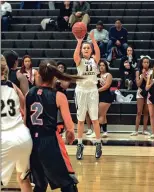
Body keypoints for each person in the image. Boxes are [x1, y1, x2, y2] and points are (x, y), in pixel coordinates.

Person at [25, 60, 80, 192]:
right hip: (50, 141)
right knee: (68, 183)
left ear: (38, 75)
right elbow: (69, 127)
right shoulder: (59, 96)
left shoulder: (29, 93)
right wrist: (70, 136)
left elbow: (25, 121)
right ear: (55, 77)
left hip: (32, 142)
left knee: (40, 185)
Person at [1, 55, 33, 191]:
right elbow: (25, 103)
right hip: (23, 137)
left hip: (4, 139)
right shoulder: (12, 86)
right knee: (22, 178)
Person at [74, 31, 102, 160]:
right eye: (84, 48)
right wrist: (79, 41)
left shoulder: (94, 60)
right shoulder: (79, 61)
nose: (86, 49)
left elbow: (98, 52)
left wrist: (93, 40)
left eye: (88, 48)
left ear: (91, 51)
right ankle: (79, 144)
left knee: (94, 119)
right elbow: (75, 55)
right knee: (80, 120)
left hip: (92, 90)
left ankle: (98, 143)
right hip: (81, 90)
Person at [130, 56, 151, 136]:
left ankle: (144, 130)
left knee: (146, 112)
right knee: (139, 112)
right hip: (140, 92)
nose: (146, 63)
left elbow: (150, 83)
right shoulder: (138, 71)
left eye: (147, 62)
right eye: (144, 62)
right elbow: (138, 84)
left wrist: (145, 76)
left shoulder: (151, 71)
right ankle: (136, 130)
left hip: (148, 92)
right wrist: (142, 76)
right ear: (141, 63)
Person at [98, 60, 113, 138]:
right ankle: (105, 131)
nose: (101, 66)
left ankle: (96, 132)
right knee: (103, 115)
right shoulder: (97, 75)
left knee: (100, 114)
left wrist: (96, 90)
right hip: (98, 96)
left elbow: (107, 86)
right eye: (100, 65)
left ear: (106, 66)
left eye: (103, 65)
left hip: (106, 96)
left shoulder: (108, 75)